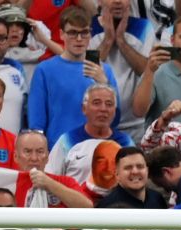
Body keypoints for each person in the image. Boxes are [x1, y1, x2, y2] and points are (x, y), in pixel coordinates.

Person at [27, 6, 119, 146]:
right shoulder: (44, 70)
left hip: (95, 150)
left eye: (84, 33)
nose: (79, 38)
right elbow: (36, 123)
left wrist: (104, 85)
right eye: (72, 33)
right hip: (59, 150)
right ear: (62, 34)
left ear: (90, 34)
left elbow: (116, 119)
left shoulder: (104, 71)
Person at [88, 0, 155, 138]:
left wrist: (120, 40)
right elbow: (87, 70)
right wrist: (108, 39)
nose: (118, 1)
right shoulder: (88, 27)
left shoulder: (144, 27)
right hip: (98, 124)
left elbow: (145, 70)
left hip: (136, 126)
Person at [129, 14, 181, 126]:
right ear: (172, 40)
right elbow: (138, 111)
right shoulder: (155, 73)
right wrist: (149, 71)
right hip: (162, 142)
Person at [47, 84, 133, 187]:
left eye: (109, 104)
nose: (103, 109)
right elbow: (50, 179)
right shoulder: (67, 140)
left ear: (115, 111)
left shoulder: (125, 142)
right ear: (84, 109)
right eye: (96, 103)